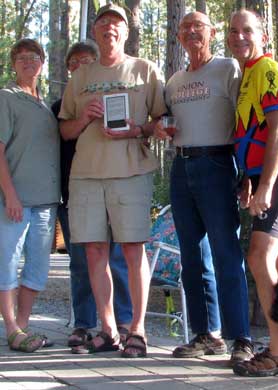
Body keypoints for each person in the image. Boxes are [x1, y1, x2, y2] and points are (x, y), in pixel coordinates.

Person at [59, 3, 166, 358]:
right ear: (95, 32)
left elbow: (162, 122)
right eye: (103, 23)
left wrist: (137, 129)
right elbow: (64, 129)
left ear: (125, 32)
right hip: (86, 175)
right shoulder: (81, 76)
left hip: (130, 172)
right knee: (94, 251)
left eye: (116, 23)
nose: (109, 28)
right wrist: (85, 119)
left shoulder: (144, 70)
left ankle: (135, 330)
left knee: (134, 250)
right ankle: (107, 329)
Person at [154, 11, 252, 364]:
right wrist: (158, 129)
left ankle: (241, 337)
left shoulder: (228, 69)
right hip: (181, 166)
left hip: (217, 163)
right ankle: (204, 334)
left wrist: (248, 172)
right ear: (178, 37)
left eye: (198, 26)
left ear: (212, 33)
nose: (191, 31)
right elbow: (161, 121)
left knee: (227, 254)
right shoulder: (174, 80)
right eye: (185, 27)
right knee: (192, 257)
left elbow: (247, 119)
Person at [227, 9, 278, 377]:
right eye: (233, 31)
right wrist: (250, 180)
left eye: (248, 31)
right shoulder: (249, 74)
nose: (239, 36)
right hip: (270, 176)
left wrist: (267, 186)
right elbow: (253, 135)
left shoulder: (268, 71)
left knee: (258, 258)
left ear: (264, 36)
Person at [51, 41, 133, 352]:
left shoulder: (115, 102)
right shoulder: (59, 108)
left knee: (118, 258)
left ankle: (122, 323)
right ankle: (84, 324)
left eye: (87, 62)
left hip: (112, 188)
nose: (80, 68)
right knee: (82, 263)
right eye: (75, 64)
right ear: (69, 70)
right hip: (73, 195)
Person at [0, 38, 60, 352]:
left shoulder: (44, 104)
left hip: (46, 200)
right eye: (21, 57)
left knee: (38, 266)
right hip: (15, 199)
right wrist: (10, 195)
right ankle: (10, 327)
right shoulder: (6, 98)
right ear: (13, 64)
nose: (28, 62)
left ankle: (22, 327)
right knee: (7, 262)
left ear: (42, 63)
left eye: (33, 56)